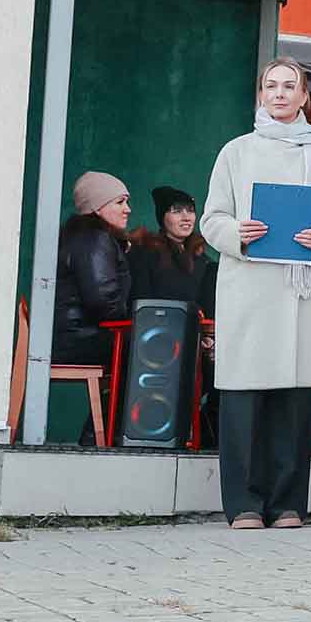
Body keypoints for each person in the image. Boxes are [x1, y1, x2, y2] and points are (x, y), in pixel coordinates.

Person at [200, 57, 311, 529]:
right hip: (250, 287)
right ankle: (243, 504)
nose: (281, 93)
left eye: (291, 86)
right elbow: (212, 219)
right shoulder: (237, 152)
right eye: (272, 86)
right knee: (244, 398)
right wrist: (240, 233)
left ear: (305, 96)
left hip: (301, 291)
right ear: (261, 95)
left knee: (292, 400)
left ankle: (288, 503)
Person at [128, 185, 220, 444]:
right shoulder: (145, 254)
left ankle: (207, 433)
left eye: (190, 210)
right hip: (154, 346)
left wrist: (209, 336)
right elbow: (140, 304)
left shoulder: (204, 261)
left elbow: (207, 309)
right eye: (176, 211)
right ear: (162, 217)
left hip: (197, 344)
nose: (186, 217)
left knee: (225, 370)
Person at [55, 172, 133, 374]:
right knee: (157, 345)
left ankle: (116, 405)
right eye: (120, 202)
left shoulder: (85, 236)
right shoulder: (94, 238)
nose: (128, 209)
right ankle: (129, 407)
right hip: (80, 339)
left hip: (71, 337)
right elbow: (104, 303)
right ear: (97, 208)